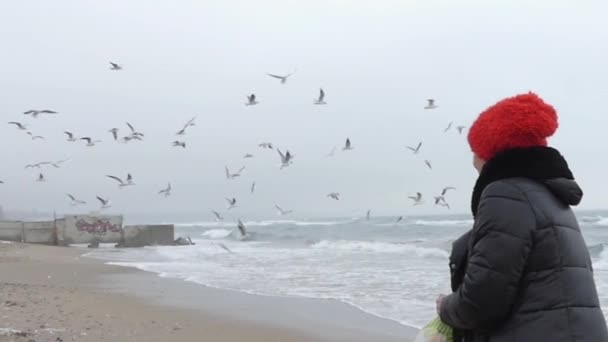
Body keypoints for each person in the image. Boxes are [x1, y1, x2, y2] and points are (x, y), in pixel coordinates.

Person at [437, 92, 608, 341]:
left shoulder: (507, 193)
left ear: (490, 151)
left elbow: (483, 300)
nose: (473, 160)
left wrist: (445, 309)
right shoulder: (550, 196)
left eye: (475, 151)